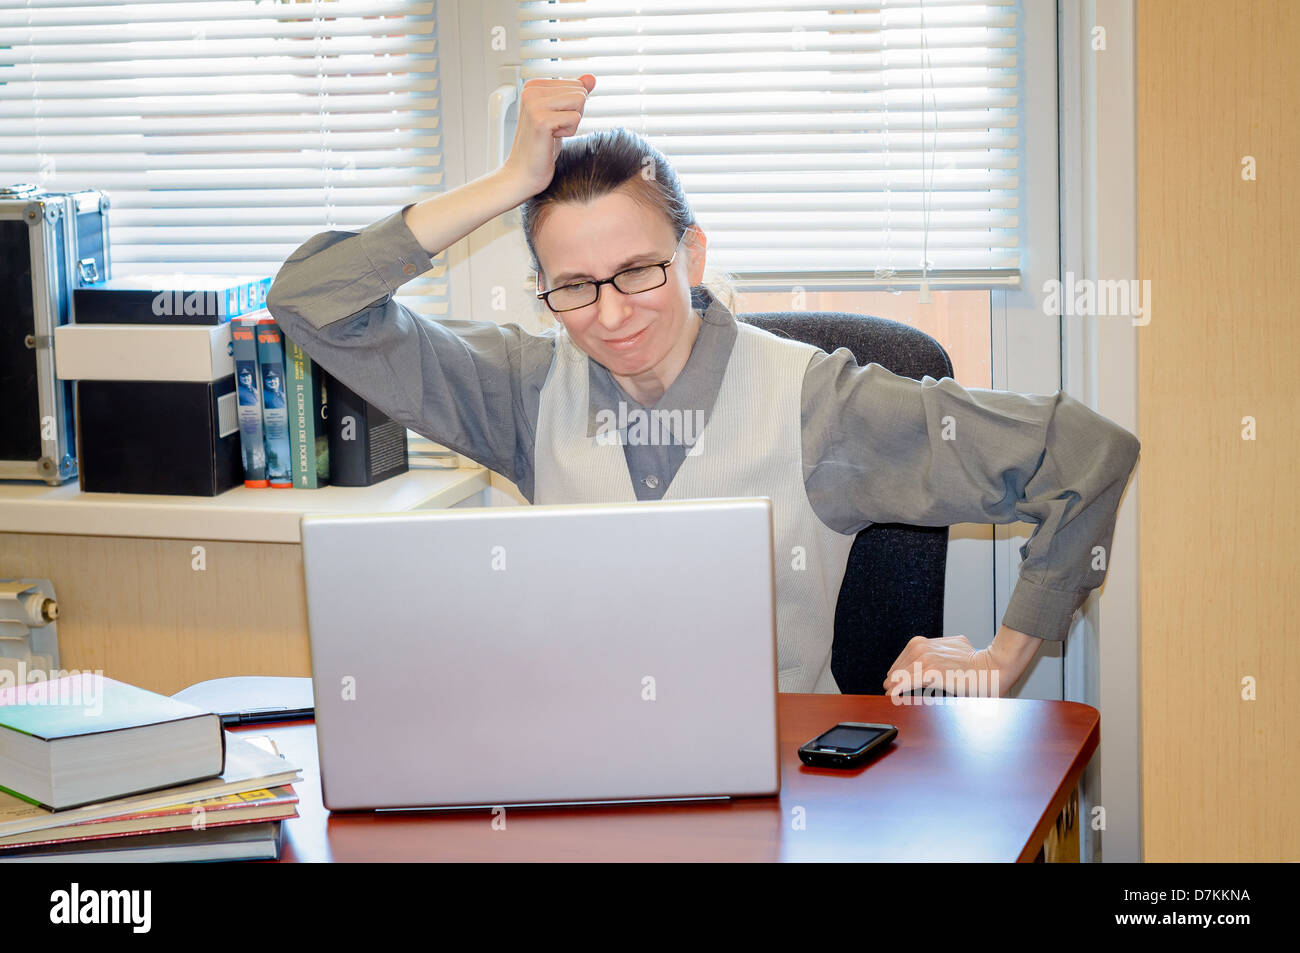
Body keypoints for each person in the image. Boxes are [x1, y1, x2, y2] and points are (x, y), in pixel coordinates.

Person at [266, 74, 1141, 697]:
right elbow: (310, 301)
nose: (610, 315)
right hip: (586, 775)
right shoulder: (523, 391)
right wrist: (509, 184)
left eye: (639, 269)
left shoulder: (819, 408)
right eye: (572, 285)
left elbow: (1086, 452)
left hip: (785, 788)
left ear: (693, 255)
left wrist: (1003, 660)